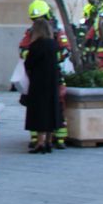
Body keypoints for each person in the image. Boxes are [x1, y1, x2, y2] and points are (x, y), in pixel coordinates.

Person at [22, 16, 64, 154]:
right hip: (52, 82)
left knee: (40, 112)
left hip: (38, 82)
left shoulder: (36, 45)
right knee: (51, 110)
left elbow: (29, 63)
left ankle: (40, 142)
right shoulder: (53, 44)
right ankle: (49, 141)